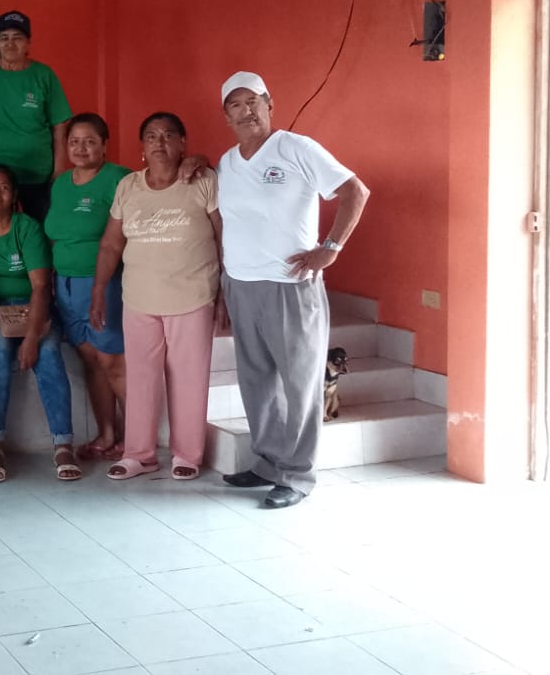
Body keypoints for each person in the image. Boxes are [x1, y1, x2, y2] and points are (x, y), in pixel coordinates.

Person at [215, 72, 369, 509]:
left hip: (290, 285)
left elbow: (355, 191)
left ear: (269, 104)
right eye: (236, 105)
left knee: (299, 382)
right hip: (241, 283)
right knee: (257, 380)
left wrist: (331, 248)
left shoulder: (296, 148)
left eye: (253, 101)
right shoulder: (227, 163)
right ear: (226, 116)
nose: (246, 111)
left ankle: (298, 475)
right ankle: (267, 463)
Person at [92, 113, 222, 482]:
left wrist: (225, 291)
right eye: (151, 136)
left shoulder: (203, 181)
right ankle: (139, 455)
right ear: (143, 147)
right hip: (139, 299)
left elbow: (223, 235)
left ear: (183, 143)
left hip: (192, 296)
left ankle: (187, 454)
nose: (159, 142)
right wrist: (99, 289)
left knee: (189, 378)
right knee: (141, 379)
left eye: (168, 135)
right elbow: (111, 243)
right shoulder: (129, 186)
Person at [0, 166, 79, 482]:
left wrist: (31, 337)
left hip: (32, 305)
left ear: (14, 194)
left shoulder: (26, 227)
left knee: (49, 350)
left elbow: (41, 287)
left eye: (3, 187)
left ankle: (63, 444)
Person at [45, 113, 130, 461]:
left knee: (112, 361)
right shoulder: (61, 184)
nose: (81, 148)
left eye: (90, 141)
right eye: (74, 142)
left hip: (103, 284)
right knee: (91, 360)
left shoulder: (119, 179)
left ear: (105, 145)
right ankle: (107, 433)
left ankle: (136, 439)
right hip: (64, 286)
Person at [0, 11, 72, 220]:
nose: (10, 44)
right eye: (4, 38)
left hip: (37, 174)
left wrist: (59, 171)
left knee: (39, 229)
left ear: (28, 43)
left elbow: (59, 126)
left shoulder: (44, 75)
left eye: (17, 38)